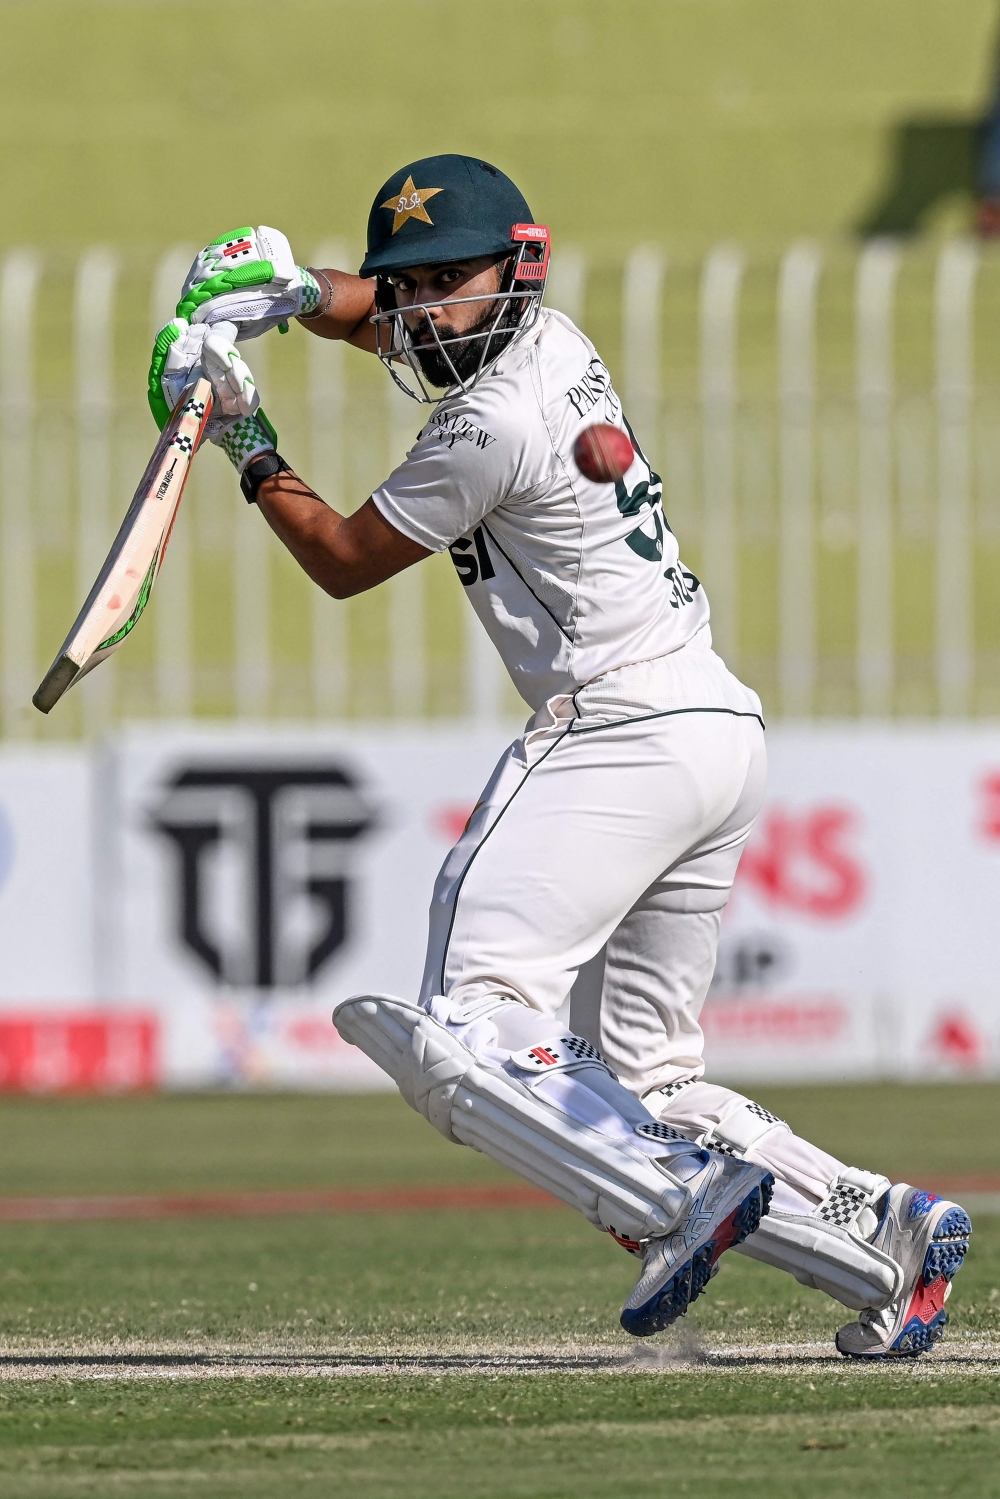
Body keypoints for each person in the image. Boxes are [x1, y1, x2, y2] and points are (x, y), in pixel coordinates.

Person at [148, 155, 970, 1355]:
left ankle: (666, 1196)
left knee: (468, 1024)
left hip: (618, 726)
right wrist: (280, 290)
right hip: (713, 727)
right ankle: (882, 1235)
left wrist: (247, 435)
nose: (423, 306)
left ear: (516, 266)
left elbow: (339, 558)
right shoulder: (546, 339)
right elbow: (384, 317)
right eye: (407, 282)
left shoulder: (486, 423)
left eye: (448, 279)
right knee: (650, 1083)